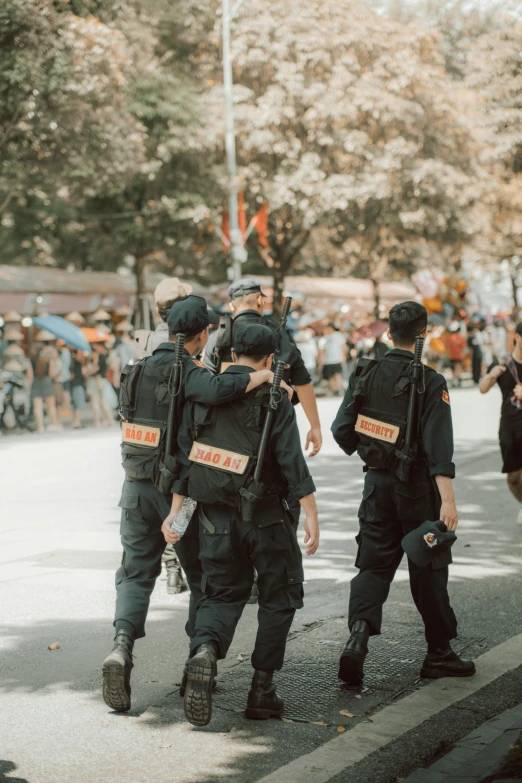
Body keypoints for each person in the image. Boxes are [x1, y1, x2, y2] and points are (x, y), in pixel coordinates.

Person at [102, 296, 292, 713]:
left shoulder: (136, 369)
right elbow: (218, 388)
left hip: (134, 489)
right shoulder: (187, 370)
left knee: (134, 574)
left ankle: (121, 647)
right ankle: (198, 663)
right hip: (178, 493)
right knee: (205, 577)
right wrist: (263, 377)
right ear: (202, 334)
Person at [162, 323, 320, 727]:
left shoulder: (204, 395)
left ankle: (205, 652)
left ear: (231, 354)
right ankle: (261, 689)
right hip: (266, 518)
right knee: (279, 596)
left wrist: (177, 514)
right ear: (269, 360)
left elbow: (184, 459)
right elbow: (291, 461)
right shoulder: (274, 397)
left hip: (213, 517)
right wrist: (312, 513)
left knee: (219, 594)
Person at [331, 301, 475, 686]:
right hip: (417, 491)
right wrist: (448, 499)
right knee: (428, 568)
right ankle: (439, 653)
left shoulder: (365, 371)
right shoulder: (431, 381)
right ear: (423, 333)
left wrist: (373, 451)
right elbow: (439, 447)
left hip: (376, 486)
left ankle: (357, 638)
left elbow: (342, 431)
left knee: (373, 566)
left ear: (388, 332)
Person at [203, 278, 322, 460]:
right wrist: (315, 427)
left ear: (231, 306)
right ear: (260, 301)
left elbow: (208, 388)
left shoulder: (217, 338)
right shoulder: (279, 334)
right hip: (274, 427)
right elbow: (302, 382)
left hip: (227, 432)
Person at [479, 321, 522, 526]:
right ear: (518, 338)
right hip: (509, 426)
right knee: (513, 477)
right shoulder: (503, 362)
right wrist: (492, 374)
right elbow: (483, 388)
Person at [30, 333, 61, 433]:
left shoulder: (32, 360)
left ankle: (40, 427)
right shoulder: (48, 360)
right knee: (51, 406)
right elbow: (52, 374)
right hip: (47, 382)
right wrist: (58, 373)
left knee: (37, 407)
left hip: (36, 382)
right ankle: (54, 424)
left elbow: (29, 375)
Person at [318, 323, 347, 396]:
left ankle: (339, 390)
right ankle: (332, 390)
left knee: (337, 374)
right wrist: (321, 362)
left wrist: (344, 356)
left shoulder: (339, 335)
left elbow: (343, 346)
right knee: (330, 377)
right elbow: (322, 351)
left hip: (337, 359)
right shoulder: (323, 339)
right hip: (327, 361)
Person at [443, 322, 466, 387]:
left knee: (453, 368)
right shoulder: (460, 338)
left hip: (451, 356)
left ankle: (455, 380)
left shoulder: (449, 338)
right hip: (458, 356)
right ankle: (456, 380)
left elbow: (446, 348)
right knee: (458, 368)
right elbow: (464, 348)